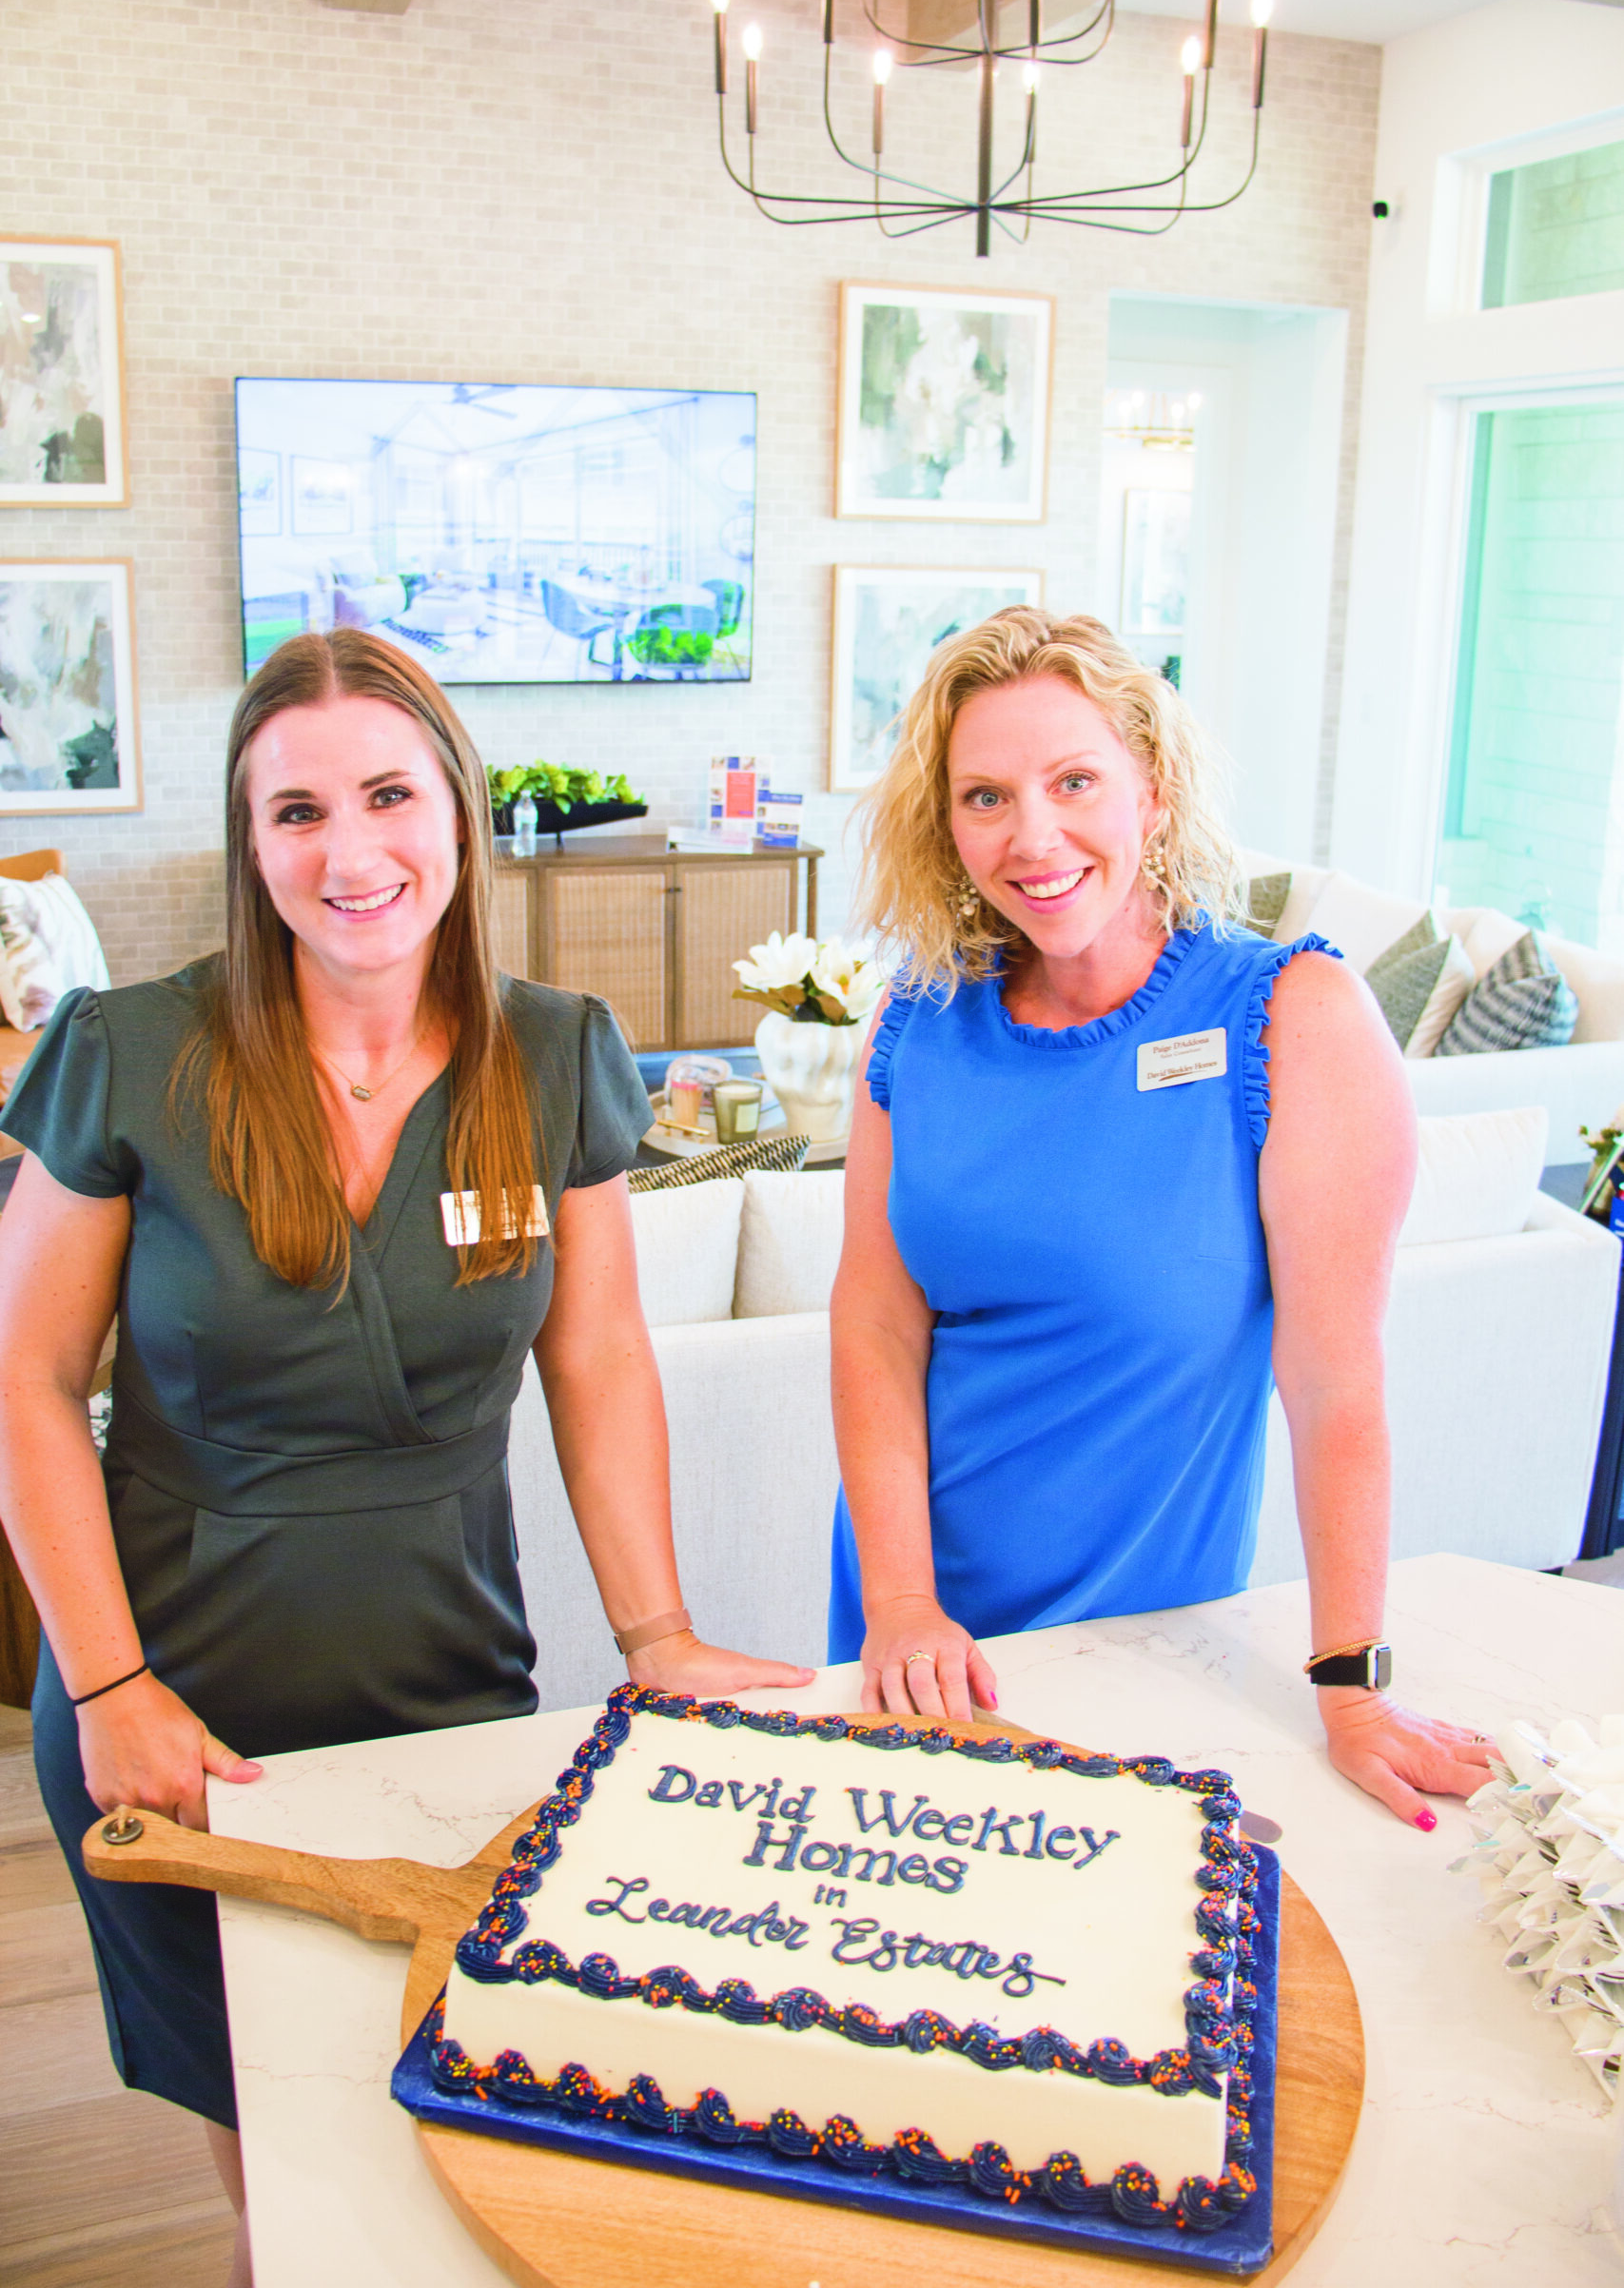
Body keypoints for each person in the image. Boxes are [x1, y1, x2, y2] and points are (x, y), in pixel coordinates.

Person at [0, 630, 809, 2288]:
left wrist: (657, 1634)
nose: (349, 853)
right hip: (172, 1701)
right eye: (296, 812)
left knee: (452, 2119)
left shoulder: (554, 1051)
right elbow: (21, 1378)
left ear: (457, 807)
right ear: (248, 845)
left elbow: (596, 1357)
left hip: (450, 1670)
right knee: (285, 2174)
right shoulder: (127, 1052)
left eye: (388, 796)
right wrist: (107, 1686)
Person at [830, 608, 1491, 1828]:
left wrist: (1353, 1686)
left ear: (1153, 787)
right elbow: (875, 1326)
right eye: (985, 797)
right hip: (916, 1628)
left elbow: (1334, 1382)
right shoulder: (915, 1019)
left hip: (1150, 1642)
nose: (1033, 836)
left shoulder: (1292, 1015)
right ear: (946, 824)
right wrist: (901, 1601)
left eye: (1074, 781)